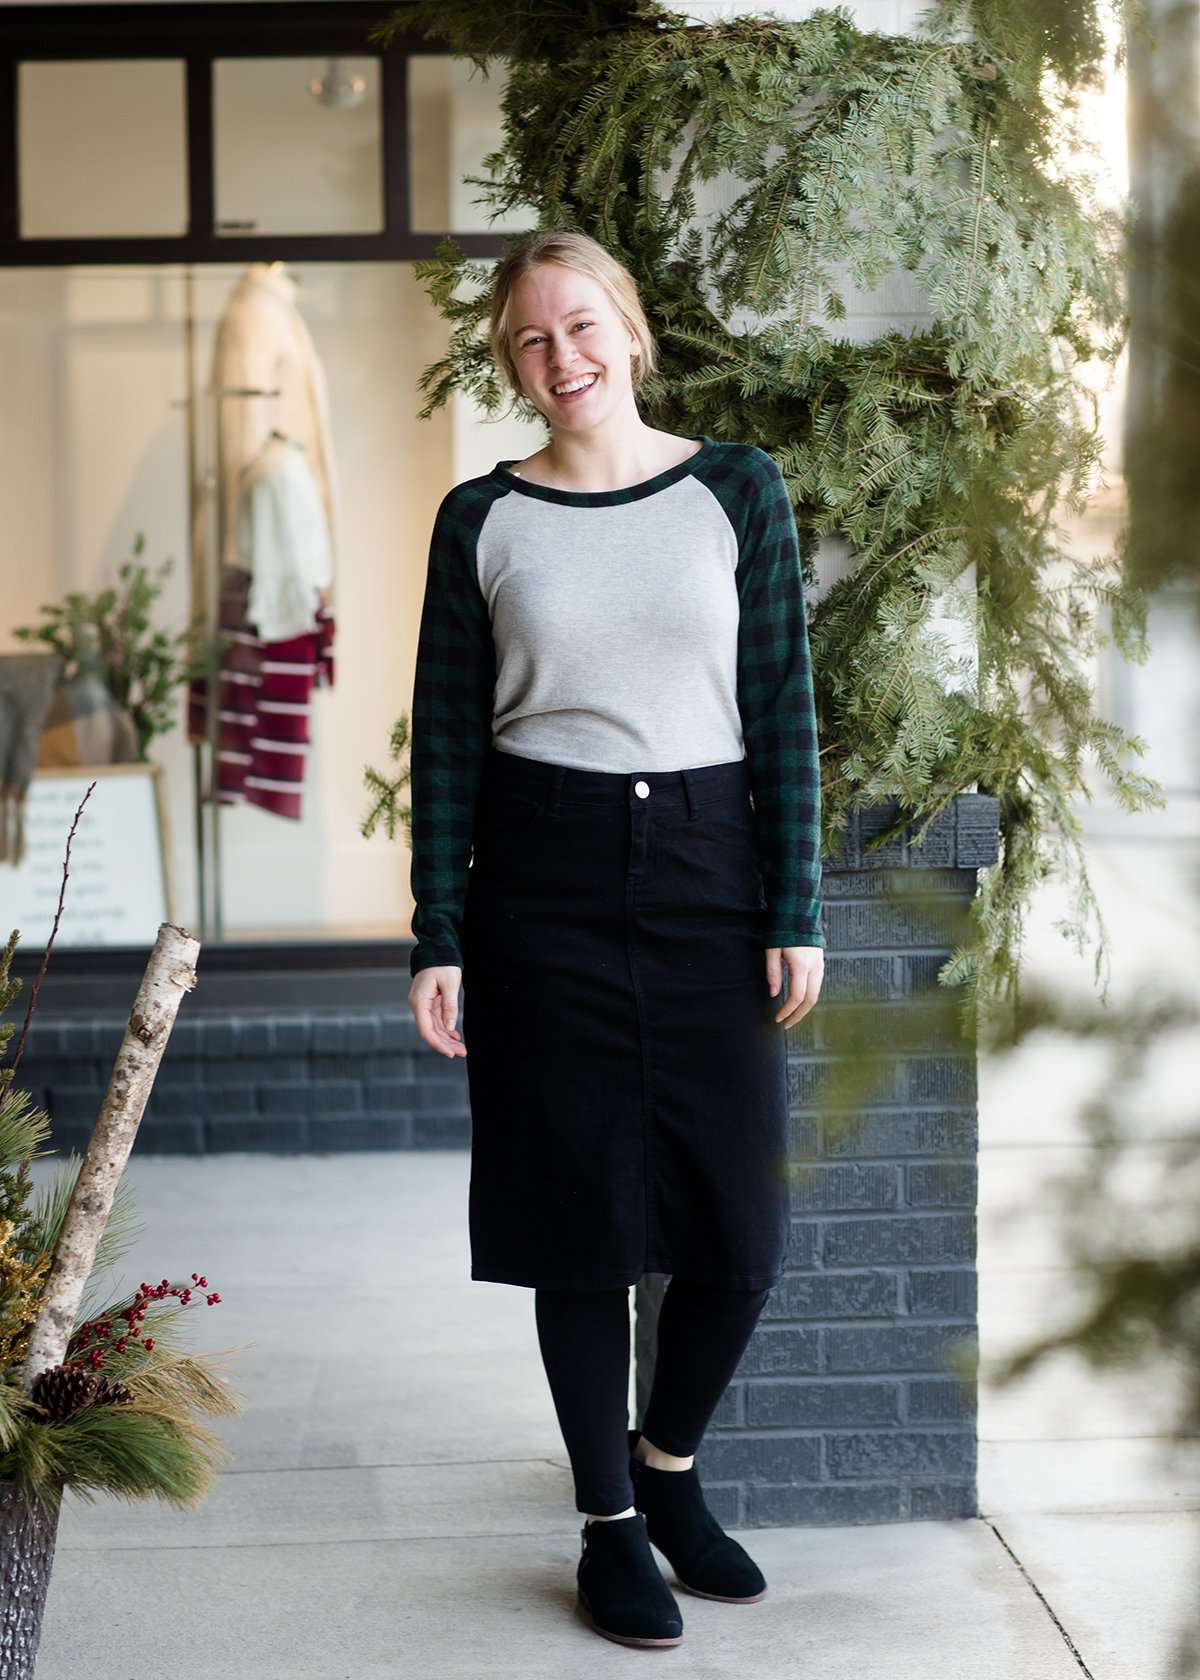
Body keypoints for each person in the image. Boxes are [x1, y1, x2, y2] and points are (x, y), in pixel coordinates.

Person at [406, 228, 824, 1649]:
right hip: (542, 882)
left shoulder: (735, 491)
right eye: (530, 340)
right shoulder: (482, 519)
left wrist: (797, 906)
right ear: (508, 361)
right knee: (580, 1232)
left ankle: (671, 1471)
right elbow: (450, 742)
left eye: (581, 327)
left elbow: (784, 712)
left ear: (630, 331)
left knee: (740, 1233)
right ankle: (609, 1529)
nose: (561, 359)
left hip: (709, 869)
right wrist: (437, 932)